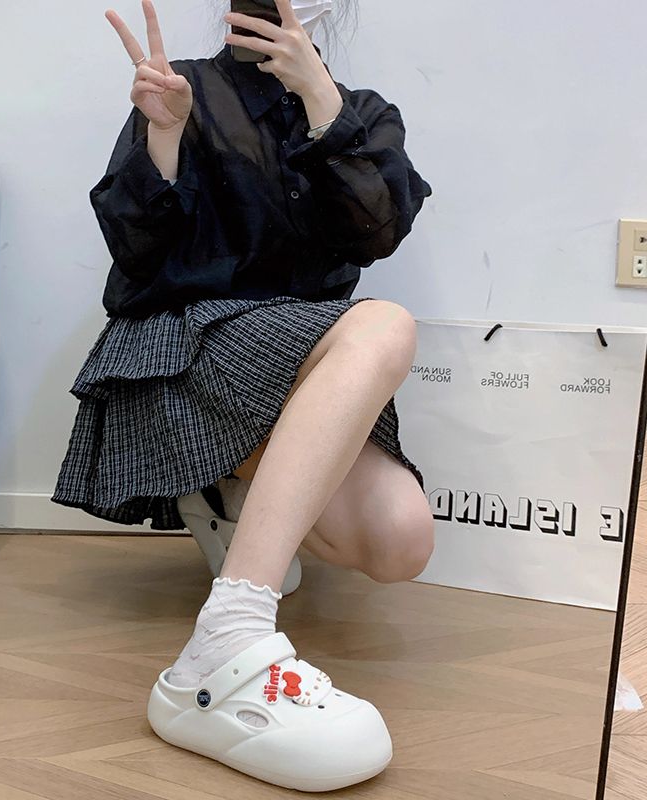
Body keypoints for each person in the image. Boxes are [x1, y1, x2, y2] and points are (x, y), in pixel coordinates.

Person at [52, 0, 435, 790]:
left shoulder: (363, 114)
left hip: (304, 354)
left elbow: (377, 233)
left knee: (401, 542)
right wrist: (164, 138)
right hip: (188, 338)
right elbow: (135, 255)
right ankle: (231, 630)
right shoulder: (182, 88)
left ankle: (229, 492)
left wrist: (320, 97)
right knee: (387, 323)